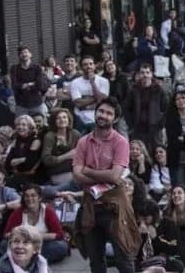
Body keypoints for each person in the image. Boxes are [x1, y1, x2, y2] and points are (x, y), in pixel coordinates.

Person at [72, 97, 138, 273]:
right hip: (91, 205)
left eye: (109, 113)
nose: (103, 115)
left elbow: (115, 175)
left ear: (115, 119)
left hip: (114, 206)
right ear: (95, 113)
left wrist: (87, 170)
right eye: (101, 111)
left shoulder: (121, 142)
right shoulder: (83, 142)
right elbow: (77, 176)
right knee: (95, 261)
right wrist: (105, 176)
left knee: (123, 257)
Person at [1, 183, 70, 263]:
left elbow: (59, 234)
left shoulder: (48, 211)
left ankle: (25, 259)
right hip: (22, 244)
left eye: (33, 195)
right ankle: (35, 259)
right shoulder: (18, 212)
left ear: (39, 198)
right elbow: (6, 234)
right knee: (3, 245)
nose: (30, 198)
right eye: (26, 196)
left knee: (61, 247)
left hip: (42, 244)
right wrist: (22, 235)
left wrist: (36, 235)